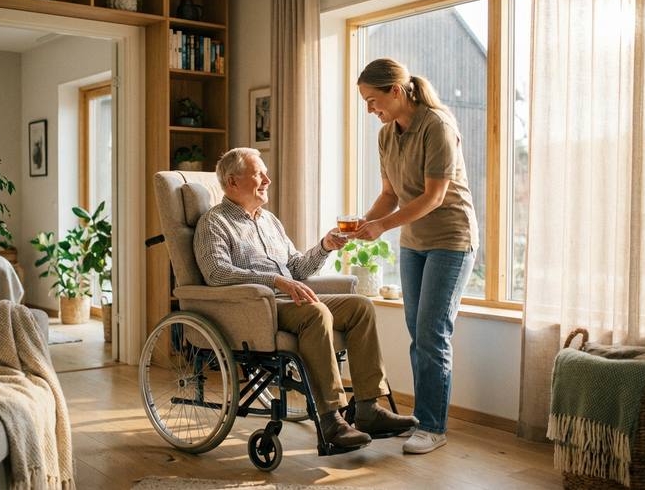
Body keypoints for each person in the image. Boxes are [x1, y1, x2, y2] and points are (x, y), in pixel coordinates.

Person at [194, 147, 418, 449]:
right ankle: (331, 421)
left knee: (360, 307)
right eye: (259, 174)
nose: (268, 180)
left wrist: (324, 246)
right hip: (257, 308)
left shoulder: (269, 221)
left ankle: (367, 409)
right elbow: (217, 273)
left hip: (289, 298)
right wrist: (274, 280)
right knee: (316, 313)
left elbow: (297, 269)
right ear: (233, 182)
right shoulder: (214, 222)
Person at [352, 58, 479, 454]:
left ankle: (431, 426)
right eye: (365, 103)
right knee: (416, 329)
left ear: (396, 91)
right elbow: (390, 195)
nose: (371, 110)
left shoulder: (437, 125)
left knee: (432, 333)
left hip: (451, 239)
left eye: (374, 101)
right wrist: (360, 222)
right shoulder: (387, 135)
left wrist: (382, 227)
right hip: (414, 241)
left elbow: (434, 196)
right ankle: (424, 420)